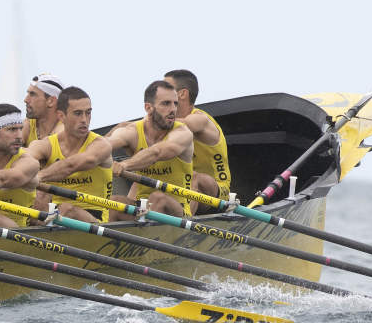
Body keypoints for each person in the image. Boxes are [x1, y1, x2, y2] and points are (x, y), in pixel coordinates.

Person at [103, 80, 195, 220]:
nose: (173, 109)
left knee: (158, 198)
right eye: (166, 103)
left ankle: (142, 230)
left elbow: (156, 153)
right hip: (142, 206)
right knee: (114, 202)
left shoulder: (182, 133)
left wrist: (124, 165)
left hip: (178, 209)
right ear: (148, 107)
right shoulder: (131, 131)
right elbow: (101, 147)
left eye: (175, 104)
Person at [25, 86, 114, 221]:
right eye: (78, 113)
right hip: (56, 214)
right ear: (61, 116)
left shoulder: (101, 145)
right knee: (34, 201)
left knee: (66, 209)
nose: (84, 119)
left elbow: (71, 165)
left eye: (88, 113)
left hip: (95, 217)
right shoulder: (44, 145)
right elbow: (23, 161)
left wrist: (39, 176)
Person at [165, 69, 232, 198]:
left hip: (219, 191)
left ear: (182, 94)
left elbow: (184, 125)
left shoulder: (200, 119)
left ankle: (184, 210)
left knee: (193, 177)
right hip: (182, 186)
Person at [22, 73, 66, 145]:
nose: (26, 100)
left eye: (32, 94)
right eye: (28, 94)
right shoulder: (28, 124)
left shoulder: (63, 130)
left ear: (51, 101)